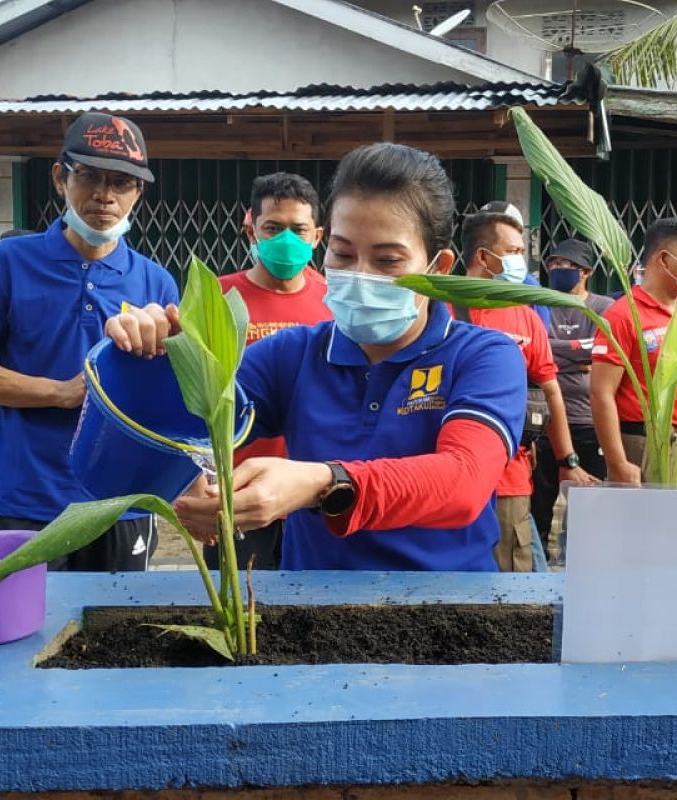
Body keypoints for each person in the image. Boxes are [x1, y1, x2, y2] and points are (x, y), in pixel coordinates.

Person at [109, 142, 528, 571]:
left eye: (388, 260)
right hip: (315, 608)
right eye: (343, 255)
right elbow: (179, 428)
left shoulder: (484, 356)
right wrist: (152, 357)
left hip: (448, 608)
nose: (360, 276)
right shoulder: (291, 356)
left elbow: (464, 481)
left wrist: (325, 482)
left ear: (438, 266)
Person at [0, 113, 178, 570]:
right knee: (24, 632)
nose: (104, 195)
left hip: (120, 502)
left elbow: (167, 400)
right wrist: (60, 393)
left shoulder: (156, 282)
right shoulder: (9, 262)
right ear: (61, 178)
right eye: (89, 176)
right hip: (27, 497)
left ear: (138, 193)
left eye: (122, 182)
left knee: (118, 634)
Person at [460, 206, 597, 572]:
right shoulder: (441, 309)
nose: (522, 260)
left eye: (523, 251)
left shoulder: (524, 312)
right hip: (453, 477)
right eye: (514, 252)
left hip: (512, 477)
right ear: (484, 257)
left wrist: (568, 460)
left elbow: (550, 389)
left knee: (512, 575)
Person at [210, 172, 331, 570]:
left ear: (317, 235)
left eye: (298, 230)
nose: (286, 241)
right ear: (251, 228)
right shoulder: (216, 297)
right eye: (273, 228)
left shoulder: (336, 301)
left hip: (314, 492)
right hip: (238, 491)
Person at [591, 217, 677, 486]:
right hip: (643, 447)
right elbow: (601, 392)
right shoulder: (622, 315)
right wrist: (617, 461)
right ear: (663, 260)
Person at [531, 238, 612, 560]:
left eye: (566, 265)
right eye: (553, 264)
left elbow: (600, 352)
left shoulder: (603, 306)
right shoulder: (540, 303)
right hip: (545, 422)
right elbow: (536, 353)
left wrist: (553, 353)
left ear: (586, 272)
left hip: (588, 422)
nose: (558, 269)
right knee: (539, 504)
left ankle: (575, 564)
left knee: (586, 509)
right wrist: (578, 354)